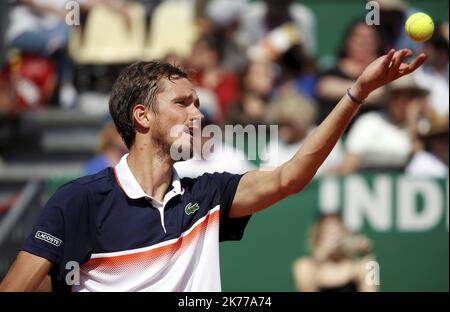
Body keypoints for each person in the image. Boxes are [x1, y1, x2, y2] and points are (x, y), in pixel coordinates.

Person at [0, 48, 426, 291]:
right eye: (183, 103)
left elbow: (289, 177)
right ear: (143, 117)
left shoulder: (206, 195)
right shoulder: (79, 200)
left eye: (199, 104)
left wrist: (357, 93)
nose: (197, 115)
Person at [333, 74, 429, 174]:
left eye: (410, 97)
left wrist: (412, 123)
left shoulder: (423, 126)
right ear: (388, 99)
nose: (402, 102)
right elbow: (349, 163)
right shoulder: (369, 122)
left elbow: (422, 164)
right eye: (396, 96)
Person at [292, 213, 377, 292]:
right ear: (318, 237)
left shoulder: (356, 268)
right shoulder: (305, 266)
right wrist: (322, 253)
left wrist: (367, 254)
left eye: (338, 232)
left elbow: (372, 288)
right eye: (329, 233)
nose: (335, 238)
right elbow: (305, 288)